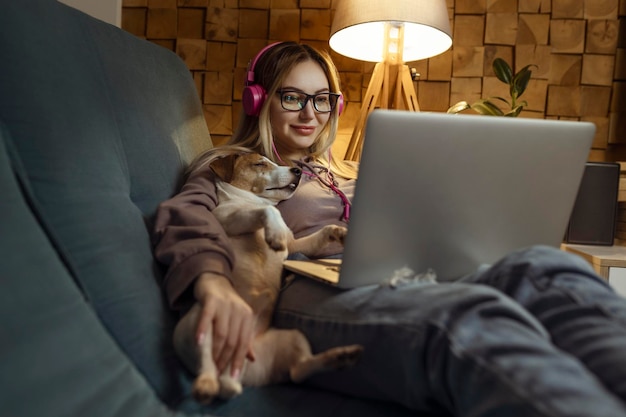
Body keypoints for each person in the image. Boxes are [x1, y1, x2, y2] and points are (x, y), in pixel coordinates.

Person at [152, 42, 626, 417]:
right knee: (469, 317)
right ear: (259, 100)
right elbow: (184, 215)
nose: (309, 113)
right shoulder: (230, 167)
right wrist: (211, 282)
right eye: (292, 97)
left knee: (546, 267)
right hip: (307, 287)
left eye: (322, 99)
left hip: (407, 274)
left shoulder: (357, 170)